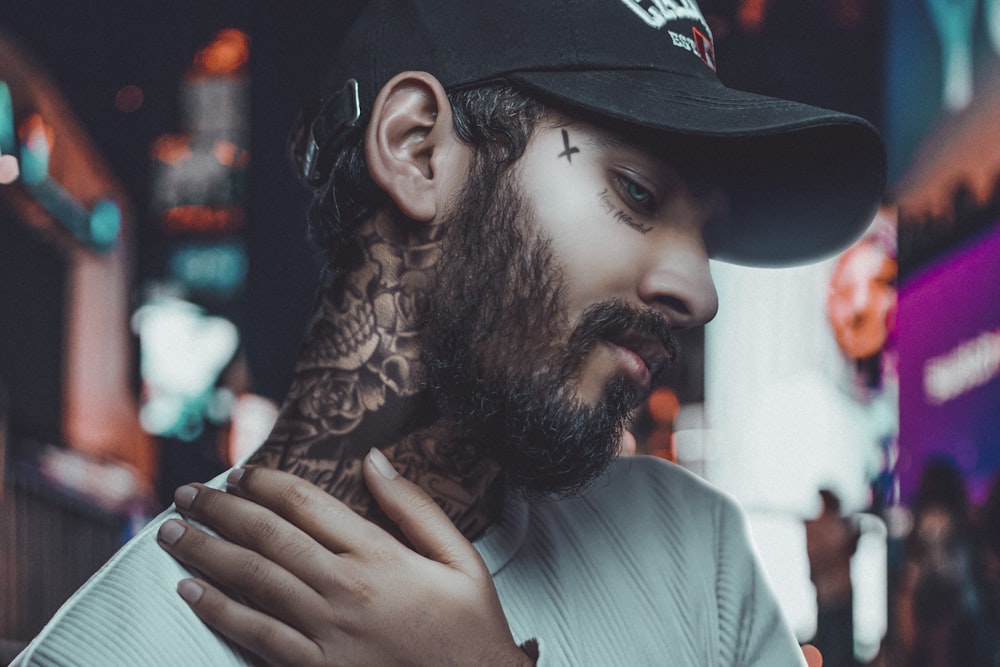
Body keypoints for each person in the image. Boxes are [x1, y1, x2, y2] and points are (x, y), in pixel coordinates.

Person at [11, 0, 884, 665]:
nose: (700, 291)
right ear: (420, 148)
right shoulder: (122, 647)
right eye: (640, 195)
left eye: (713, 239)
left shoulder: (700, 555)